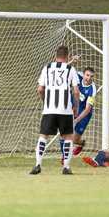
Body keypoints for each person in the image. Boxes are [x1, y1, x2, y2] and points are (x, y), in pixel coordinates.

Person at [29, 45, 80, 175]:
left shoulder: (47, 68)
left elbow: (40, 89)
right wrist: (76, 107)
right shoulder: (71, 69)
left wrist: (45, 101)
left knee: (43, 136)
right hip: (65, 110)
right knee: (68, 137)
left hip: (49, 109)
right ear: (67, 56)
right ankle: (66, 167)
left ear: (55, 56)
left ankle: (37, 165)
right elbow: (76, 91)